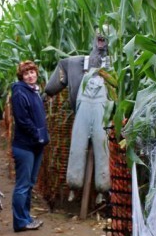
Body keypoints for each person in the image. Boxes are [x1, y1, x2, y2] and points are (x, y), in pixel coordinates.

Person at [45, 33, 112, 201]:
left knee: (102, 148)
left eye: (103, 41)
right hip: (83, 110)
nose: (100, 44)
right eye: (99, 40)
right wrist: (48, 91)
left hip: (103, 112)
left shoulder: (114, 64)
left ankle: (103, 189)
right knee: (77, 146)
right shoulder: (76, 63)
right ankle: (74, 186)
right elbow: (56, 79)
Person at [10, 60, 49, 231]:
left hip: (35, 145)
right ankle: (20, 222)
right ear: (22, 77)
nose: (30, 75)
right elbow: (22, 120)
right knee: (23, 185)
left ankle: (26, 218)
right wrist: (37, 135)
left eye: (32, 72)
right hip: (25, 146)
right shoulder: (20, 92)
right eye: (26, 74)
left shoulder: (33, 91)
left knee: (29, 183)